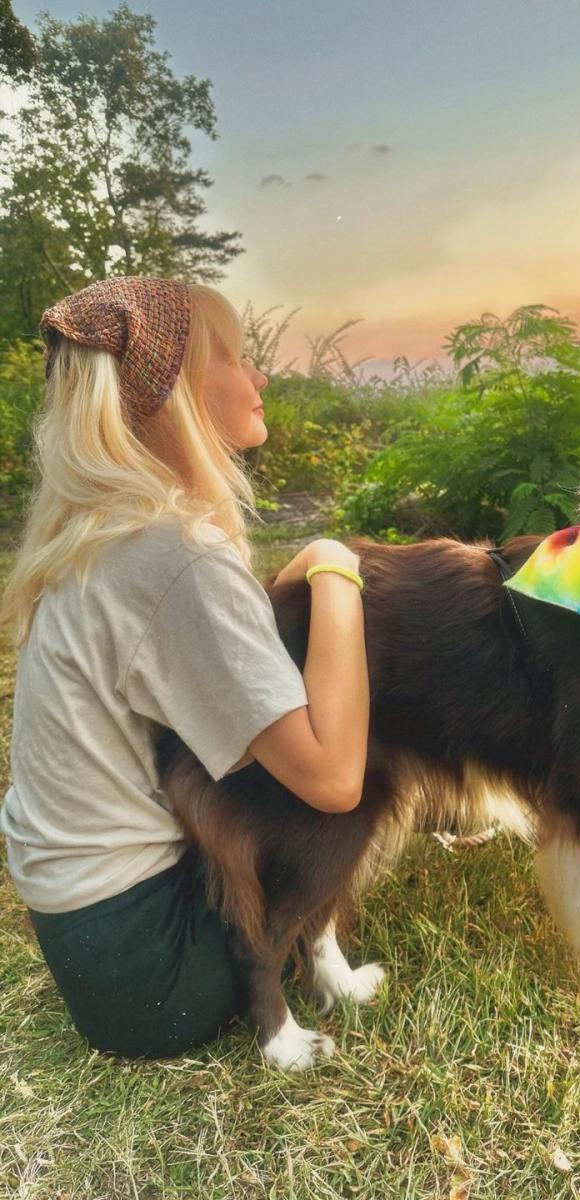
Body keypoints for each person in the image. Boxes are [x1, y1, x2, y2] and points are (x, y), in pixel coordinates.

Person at [0, 276, 370, 1060]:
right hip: (146, 968)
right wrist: (338, 566)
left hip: (92, 935)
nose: (258, 377)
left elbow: (228, 668)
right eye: (233, 357)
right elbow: (333, 777)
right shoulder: (172, 554)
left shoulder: (113, 535)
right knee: (340, 808)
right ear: (170, 392)